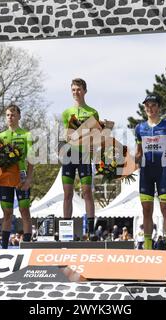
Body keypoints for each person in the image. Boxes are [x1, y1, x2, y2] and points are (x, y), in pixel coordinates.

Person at [135, 94, 166, 251]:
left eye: (153, 105)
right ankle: (148, 248)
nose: (150, 108)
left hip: (163, 171)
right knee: (146, 211)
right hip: (145, 173)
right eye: (147, 106)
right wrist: (125, 165)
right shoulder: (139, 128)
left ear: (158, 107)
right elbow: (138, 153)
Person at [60, 78, 99, 239]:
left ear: (85, 91)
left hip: (84, 155)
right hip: (69, 154)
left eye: (79, 89)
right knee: (67, 193)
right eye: (73, 89)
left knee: (87, 192)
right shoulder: (66, 112)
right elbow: (66, 135)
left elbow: (97, 135)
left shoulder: (92, 112)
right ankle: (66, 232)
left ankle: (90, 231)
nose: (76, 92)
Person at [0, 104, 33, 248]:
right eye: (8, 115)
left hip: (21, 176)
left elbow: (31, 159)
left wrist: (29, 179)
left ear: (19, 117)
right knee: (7, 213)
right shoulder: (0, 136)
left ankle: (28, 245)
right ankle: (4, 247)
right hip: (5, 177)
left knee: (24, 210)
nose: (10, 118)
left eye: (13, 115)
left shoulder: (26, 135)